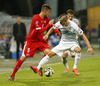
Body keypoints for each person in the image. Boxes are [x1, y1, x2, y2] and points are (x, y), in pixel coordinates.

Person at [9, 4, 60, 81]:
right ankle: (12, 75)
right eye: (48, 12)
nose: (49, 14)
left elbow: (52, 25)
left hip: (40, 41)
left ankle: (38, 67)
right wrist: (48, 25)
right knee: (23, 58)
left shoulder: (45, 18)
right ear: (44, 11)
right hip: (31, 41)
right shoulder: (36, 18)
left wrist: (57, 31)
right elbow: (40, 31)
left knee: (49, 53)